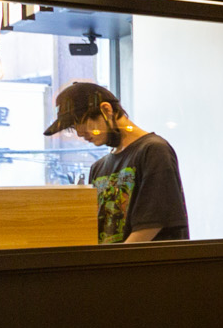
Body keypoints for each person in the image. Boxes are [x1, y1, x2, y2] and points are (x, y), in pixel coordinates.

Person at [42, 82, 189, 244]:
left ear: (106, 110)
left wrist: (113, 265)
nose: (80, 133)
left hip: (145, 266)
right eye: (73, 127)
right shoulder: (98, 167)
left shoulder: (153, 150)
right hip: (114, 264)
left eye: (81, 122)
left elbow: (152, 224)